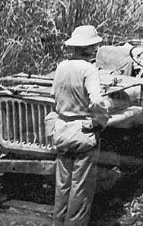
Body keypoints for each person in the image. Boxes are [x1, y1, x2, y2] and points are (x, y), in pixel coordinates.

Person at [51, 25, 110, 226]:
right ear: (89, 48)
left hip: (61, 131)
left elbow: (54, 96)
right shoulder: (89, 70)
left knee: (62, 187)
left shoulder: (61, 67)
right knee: (81, 190)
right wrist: (100, 122)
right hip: (83, 134)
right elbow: (96, 101)